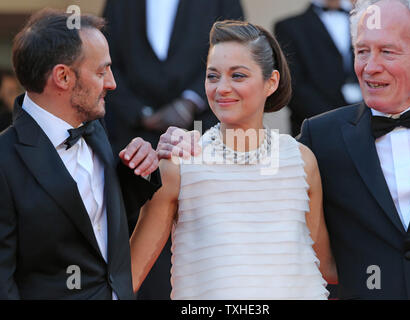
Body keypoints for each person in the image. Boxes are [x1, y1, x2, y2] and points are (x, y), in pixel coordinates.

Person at [131, 20, 336, 300]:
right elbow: (129, 275)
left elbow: (324, 266)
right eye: (212, 76)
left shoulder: (302, 161)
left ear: (271, 82)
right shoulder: (179, 163)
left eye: (238, 76)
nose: (222, 88)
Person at [0, 9, 161, 299]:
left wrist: (140, 168)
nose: (112, 83)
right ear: (63, 76)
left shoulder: (96, 129)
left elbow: (95, 226)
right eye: (101, 72)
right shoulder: (4, 161)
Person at [298, 0, 410, 299]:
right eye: (362, 51)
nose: (370, 67)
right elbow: (258, 175)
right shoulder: (320, 136)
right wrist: (194, 146)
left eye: (387, 51)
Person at [102, 0, 244, 299]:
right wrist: (141, 113)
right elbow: (106, 61)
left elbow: (236, 51)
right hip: (134, 139)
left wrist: (191, 101)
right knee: (140, 239)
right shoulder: (117, 4)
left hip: (203, 132)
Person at [275, 0, 361, 136]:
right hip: (315, 130)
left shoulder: (365, 22)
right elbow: (293, 85)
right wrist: (337, 120)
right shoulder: (288, 27)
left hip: (366, 126)